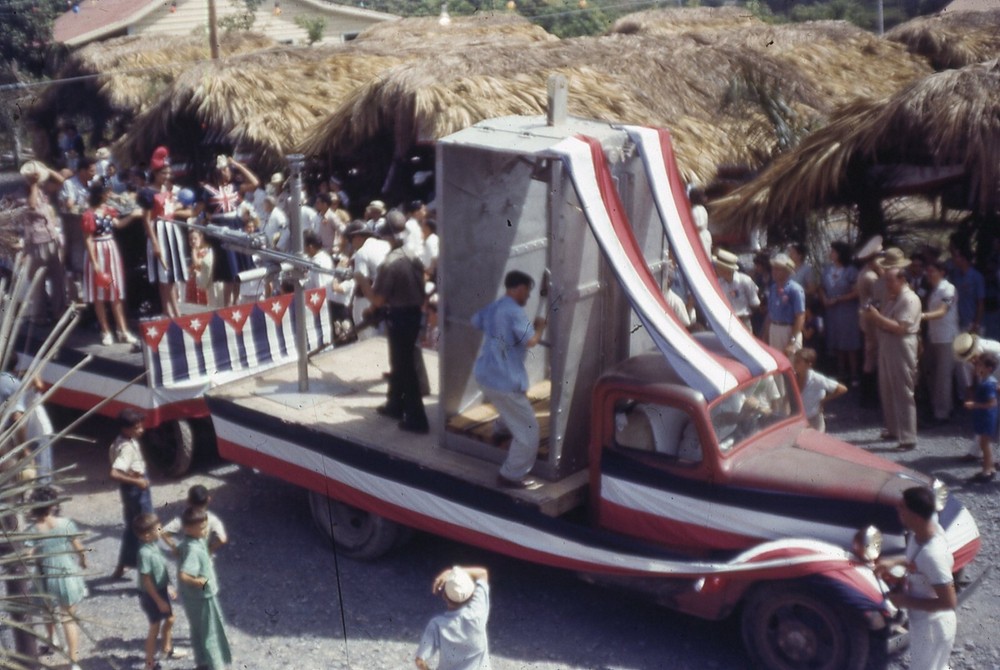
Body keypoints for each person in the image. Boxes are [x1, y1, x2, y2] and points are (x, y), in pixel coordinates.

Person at [472, 270, 547, 489]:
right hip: (505, 379)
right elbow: (531, 341)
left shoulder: (496, 306)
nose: (528, 297)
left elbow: (476, 321)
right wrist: (541, 326)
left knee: (510, 403)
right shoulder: (515, 312)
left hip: (485, 373)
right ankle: (511, 475)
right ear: (520, 289)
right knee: (530, 432)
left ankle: (500, 432)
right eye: (527, 292)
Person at [876, 487, 956, 670]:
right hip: (923, 622)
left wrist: (905, 601)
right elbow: (916, 562)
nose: (898, 510)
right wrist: (894, 561)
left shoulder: (932, 555)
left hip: (933, 627)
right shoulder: (922, 531)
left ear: (917, 517)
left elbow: (949, 602)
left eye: (903, 507)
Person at [370, 212, 429, 434]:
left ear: (388, 237)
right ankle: (395, 405)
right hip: (414, 315)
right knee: (399, 362)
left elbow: (378, 300)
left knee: (405, 367)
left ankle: (417, 419)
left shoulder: (389, 263)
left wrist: (362, 283)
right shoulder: (413, 256)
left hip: (399, 317)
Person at [27, 486, 87, 670]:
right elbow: (79, 548)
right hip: (66, 573)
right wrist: (84, 561)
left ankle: (53, 641)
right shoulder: (66, 523)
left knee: (48, 611)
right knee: (69, 618)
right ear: (53, 505)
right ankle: (73, 662)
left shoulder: (32, 529)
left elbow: (28, 556)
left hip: (45, 574)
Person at [865, 263, 921, 450]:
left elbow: (900, 327)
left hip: (901, 344)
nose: (887, 283)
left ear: (903, 279)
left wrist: (877, 317)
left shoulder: (909, 300)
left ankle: (908, 436)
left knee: (903, 389)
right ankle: (893, 428)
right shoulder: (893, 298)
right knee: (887, 387)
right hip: (887, 343)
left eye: (891, 280)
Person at [82, 181, 139, 345]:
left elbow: (119, 225)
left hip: (111, 250)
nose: (110, 195)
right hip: (97, 251)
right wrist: (95, 264)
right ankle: (106, 331)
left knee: (115, 293)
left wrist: (132, 216)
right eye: (107, 192)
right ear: (100, 194)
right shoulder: (89, 214)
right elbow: (88, 239)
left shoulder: (109, 211)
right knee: (99, 294)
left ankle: (123, 330)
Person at [200, 154, 260, 306]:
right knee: (229, 271)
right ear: (218, 171)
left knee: (239, 268)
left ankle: (235, 302)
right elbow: (201, 212)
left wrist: (238, 165)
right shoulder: (208, 190)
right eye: (226, 169)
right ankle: (227, 305)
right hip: (221, 230)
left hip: (235, 225)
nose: (228, 171)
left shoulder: (234, 187)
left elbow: (255, 182)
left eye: (228, 169)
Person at [177, 507, 232, 670]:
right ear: (188, 529)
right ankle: (216, 666)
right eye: (201, 528)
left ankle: (203, 662)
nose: (205, 530)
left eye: (206, 526)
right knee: (210, 634)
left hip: (193, 597)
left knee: (198, 630)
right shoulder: (193, 549)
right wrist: (198, 582)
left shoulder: (191, 541)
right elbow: (184, 575)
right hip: (202, 597)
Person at [138, 147, 189, 318]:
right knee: (163, 275)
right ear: (155, 173)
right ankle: (168, 311)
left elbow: (170, 209)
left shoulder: (166, 190)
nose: (166, 176)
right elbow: (146, 219)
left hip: (171, 230)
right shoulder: (147, 192)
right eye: (163, 173)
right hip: (158, 231)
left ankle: (176, 309)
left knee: (172, 274)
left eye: (168, 173)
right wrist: (154, 242)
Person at [133, 513, 185, 670]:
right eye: (158, 528)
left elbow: (161, 569)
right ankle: (149, 664)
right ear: (147, 535)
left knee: (170, 619)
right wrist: (159, 600)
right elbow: (147, 580)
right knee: (154, 628)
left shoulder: (153, 545)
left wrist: (168, 585)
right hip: (151, 595)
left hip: (161, 591)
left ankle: (166, 649)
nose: (161, 529)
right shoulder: (144, 553)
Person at [415, 565, 490, 670]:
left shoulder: (437, 624)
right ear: (471, 595)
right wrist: (452, 572)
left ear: (444, 596)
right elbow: (482, 573)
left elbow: (420, 660)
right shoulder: (477, 613)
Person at [20, 160, 66, 325]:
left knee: (58, 276)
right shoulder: (26, 193)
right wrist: (33, 184)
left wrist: (47, 169)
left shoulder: (42, 190)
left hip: (50, 237)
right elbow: (32, 206)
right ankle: (38, 315)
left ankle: (58, 311)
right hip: (36, 240)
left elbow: (61, 181)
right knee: (38, 279)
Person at [109, 408, 153, 580]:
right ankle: (148, 572)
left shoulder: (120, 441)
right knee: (146, 528)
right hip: (136, 490)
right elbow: (114, 473)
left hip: (129, 489)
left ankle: (123, 564)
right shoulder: (126, 448)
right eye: (137, 428)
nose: (141, 430)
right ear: (126, 429)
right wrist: (138, 481)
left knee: (132, 527)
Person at [921, 258, 959, 423]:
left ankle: (942, 414)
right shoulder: (933, 289)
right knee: (931, 372)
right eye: (928, 271)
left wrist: (920, 316)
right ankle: (940, 406)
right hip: (934, 336)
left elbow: (942, 311)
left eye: (932, 271)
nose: (929, 274)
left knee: (943, 376)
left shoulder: (948, 289)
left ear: (942, 272)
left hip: (946, 337)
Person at [820, 241, 860, 385]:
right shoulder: (827, 269)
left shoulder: (851, 270)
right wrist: (824, 298)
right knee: (836, 341)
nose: (831, 253)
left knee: (849, 342)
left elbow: (857, 292)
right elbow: (822, 287)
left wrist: (838, 299)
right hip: (831, 311)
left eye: (833, 251)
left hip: (847, 311)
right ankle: (841, 371)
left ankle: (854, 374)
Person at [855, 236, 884, 407]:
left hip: (866, 318)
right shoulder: (871, 277)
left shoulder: (864, 272)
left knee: (870, 353)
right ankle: (869, 395)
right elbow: (880, 296)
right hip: (872, 320)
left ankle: (868, 394)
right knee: (871, 355)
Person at [161, 484, 229, 554]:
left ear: (188, 501)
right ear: (209, 499)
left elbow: (163, 532)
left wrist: (175, 548)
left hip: (187, 553)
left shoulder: (184, 517)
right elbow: (222, 539)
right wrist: (209, 550)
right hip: (204, 556)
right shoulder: (213, 519)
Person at [793, 348, 847, 432]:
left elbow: (842, 389)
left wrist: (823, 400)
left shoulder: (817, 379)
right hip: (799, 419)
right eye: (795, 361)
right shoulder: (793, 377)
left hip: (814, 420)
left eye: (798, 362)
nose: (794, 364)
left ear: (808, 365)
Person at [964, 353, 997, 483]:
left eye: (980, 365)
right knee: (985, 444)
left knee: (985, 444)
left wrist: (975, 404)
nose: (977, 367)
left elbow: (992, 403)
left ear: (988, 368)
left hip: (986, 417)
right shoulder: (987, 380)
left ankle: (986, 471)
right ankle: (991, 467)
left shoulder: (988, 384)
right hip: (984, 417)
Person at [764, 253, 805, 356]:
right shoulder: (773, 288)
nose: (774, 272)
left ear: (787, 271)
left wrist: (792, 340)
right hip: (774, 328)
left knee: (791, 362)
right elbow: (770, 313)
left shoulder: (795, 289)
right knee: (776, 362)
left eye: (778, 269)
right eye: (773, 269)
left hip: (789, 329)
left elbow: (800, 316)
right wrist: (765, 334)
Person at [713, 249, 759, 331]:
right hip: (727, 322)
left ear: (725, 268)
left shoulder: (745, 280)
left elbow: (755, 303)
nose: (716, 268)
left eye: (718, 266)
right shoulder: (718, 283)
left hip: (743, 321)